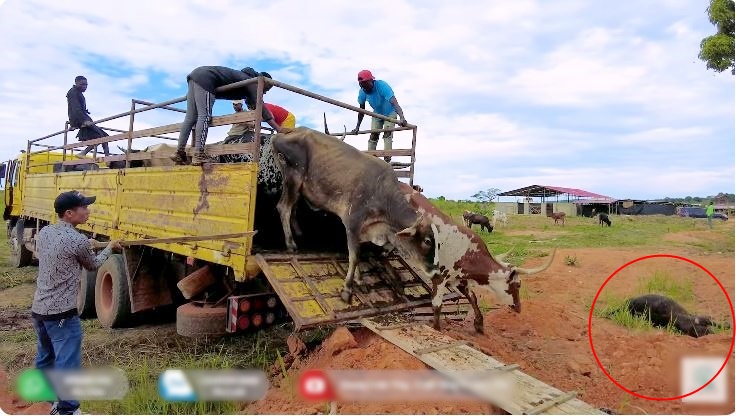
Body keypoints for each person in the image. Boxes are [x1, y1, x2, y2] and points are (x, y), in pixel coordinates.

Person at [31, 191, 121, 415]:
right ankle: (68, 409)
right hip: (62, 313)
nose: (88, 210)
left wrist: (87, 243)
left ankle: (45, 401)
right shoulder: (77, 240)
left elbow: (64, 249)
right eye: (84, 208)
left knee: (45, 357)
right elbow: (93, 264)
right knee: (67, 363)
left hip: (39, 309)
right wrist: (111, 247)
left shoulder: (45, 232)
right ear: (70, 213)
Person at [170, 66, 284, 166]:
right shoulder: (253, 82)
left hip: (195, 77)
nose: (264, 93)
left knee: (190, 117)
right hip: (206, 79)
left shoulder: (243, 79)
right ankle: (198, 153)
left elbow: (252, 103)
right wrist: (278, 128)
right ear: (264, 82)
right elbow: (260, 105)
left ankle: (179, 152)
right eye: (266, 90)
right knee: (204, 116)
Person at [350, 70, 408, 162]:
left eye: (365, 85)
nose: (365, 88)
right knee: (374, 134)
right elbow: (361, 111)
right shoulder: (362, 92)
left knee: (387, 132)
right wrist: (357, 127)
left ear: (371, 81)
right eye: (362, 86)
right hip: (377, 114)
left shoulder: (382, 86)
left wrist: (402, 118)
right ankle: (370, 159)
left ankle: (387, 159)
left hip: (390, 112)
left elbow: (394, 103)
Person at [66, 76, 110, 157]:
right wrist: (80, 122)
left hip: (82, 118)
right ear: (76, 83)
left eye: (86, 85)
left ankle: (107, 158)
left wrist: (85, 111)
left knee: (105, 136)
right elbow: (75, 109)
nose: (85, 86)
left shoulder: (78, 93)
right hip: (81, 119)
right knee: (99, 136)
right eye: (82, 84)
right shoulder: (73, 92)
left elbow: (78, 108)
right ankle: (83, 153)